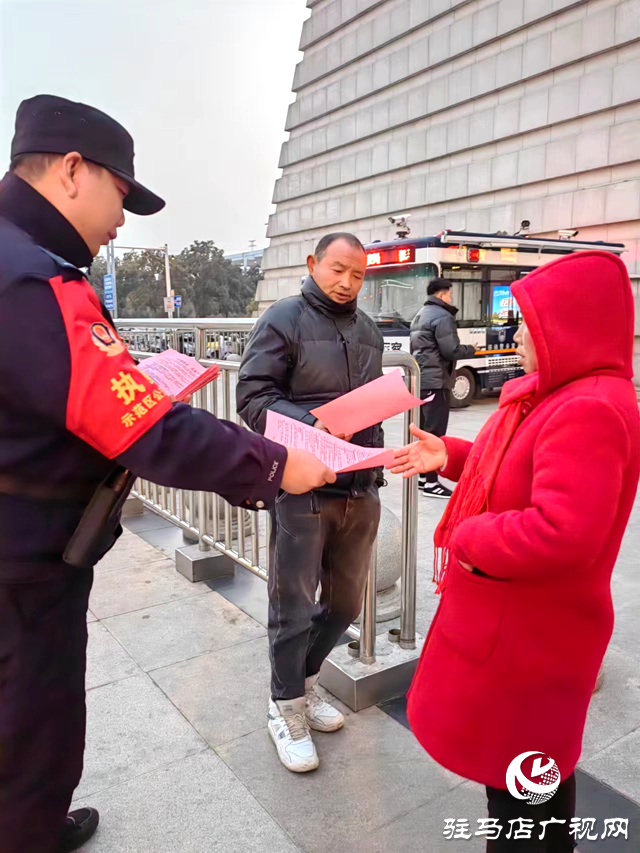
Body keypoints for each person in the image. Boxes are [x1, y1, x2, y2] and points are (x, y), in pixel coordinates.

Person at [0, 95, 336, 853]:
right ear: (73, 170)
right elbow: (143, 428)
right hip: (21, 562)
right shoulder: (32, 280)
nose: (123, 220)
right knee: (31, 724)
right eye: (122, 193)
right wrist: (276, 462)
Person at [390, 251, 640, 851]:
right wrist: (447, 456)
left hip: (532, 640)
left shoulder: (588, 409)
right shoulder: (561, 394)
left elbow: (562, 531)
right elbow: (509, 465)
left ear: (572, 324)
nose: (520, 335)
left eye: (532, 322)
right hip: (522, 634)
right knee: (520, 780)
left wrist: (467, 531)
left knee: (529, 792)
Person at [237, 233, 383, 773]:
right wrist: (310, 424)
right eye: (337, 270)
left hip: (358, 487)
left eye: (358, 275)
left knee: (345, 606)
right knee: (292, 607)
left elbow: (369, 406)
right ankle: (285, 708)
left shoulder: (367, 329)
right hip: (302, 487)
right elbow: (252, 399)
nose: (347, 283)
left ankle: (306, 682)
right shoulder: (283, 318)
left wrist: (377, 456)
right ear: (312, 264)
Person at [410, 277, 475, 499]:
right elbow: (451, 350)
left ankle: (422, 477)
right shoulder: (442, 316)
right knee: (436, 433)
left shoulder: (420, 314)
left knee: (424, 430)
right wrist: (471, 349)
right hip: (436, 382)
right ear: (441, 295)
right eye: (449, 294)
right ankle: (431, 483)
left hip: (421, 381)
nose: (450, 298)